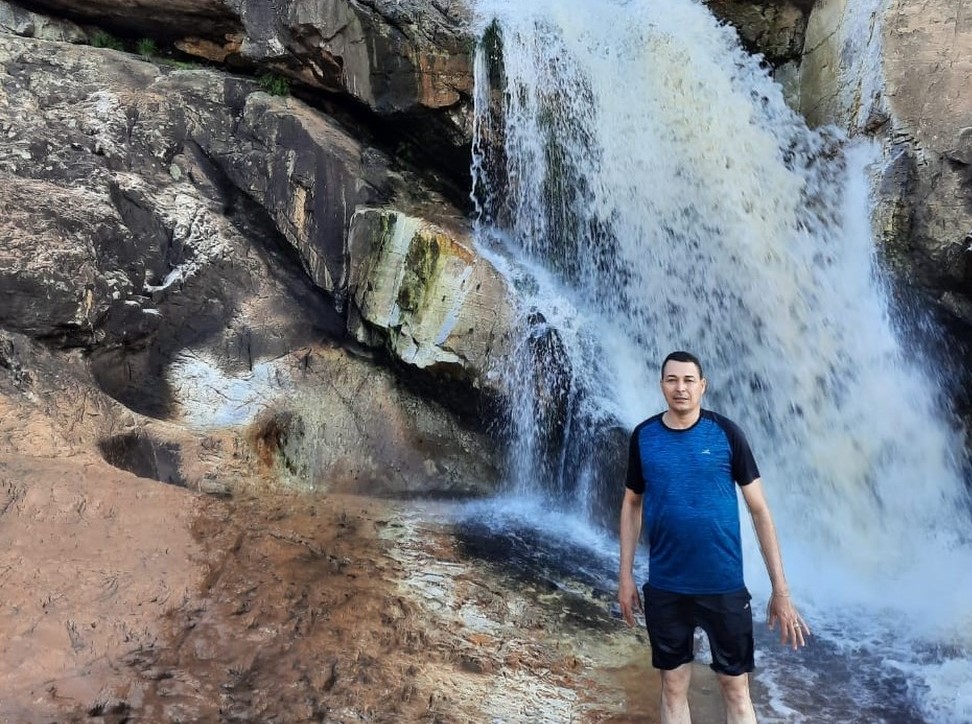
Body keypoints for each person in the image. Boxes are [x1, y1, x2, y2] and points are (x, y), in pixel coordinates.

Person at [617, 350, 809, 724]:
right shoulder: (644, 437)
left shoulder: (726, 434)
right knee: (673, 687)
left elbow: (759, 510)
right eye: (672, 380)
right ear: (661, 386)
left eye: (689, 380)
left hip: (723, 585)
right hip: (667, 586)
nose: (681, 388)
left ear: (702, 386)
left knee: (735, 689)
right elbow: (631, 503)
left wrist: (780, 590)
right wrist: (625, 576)